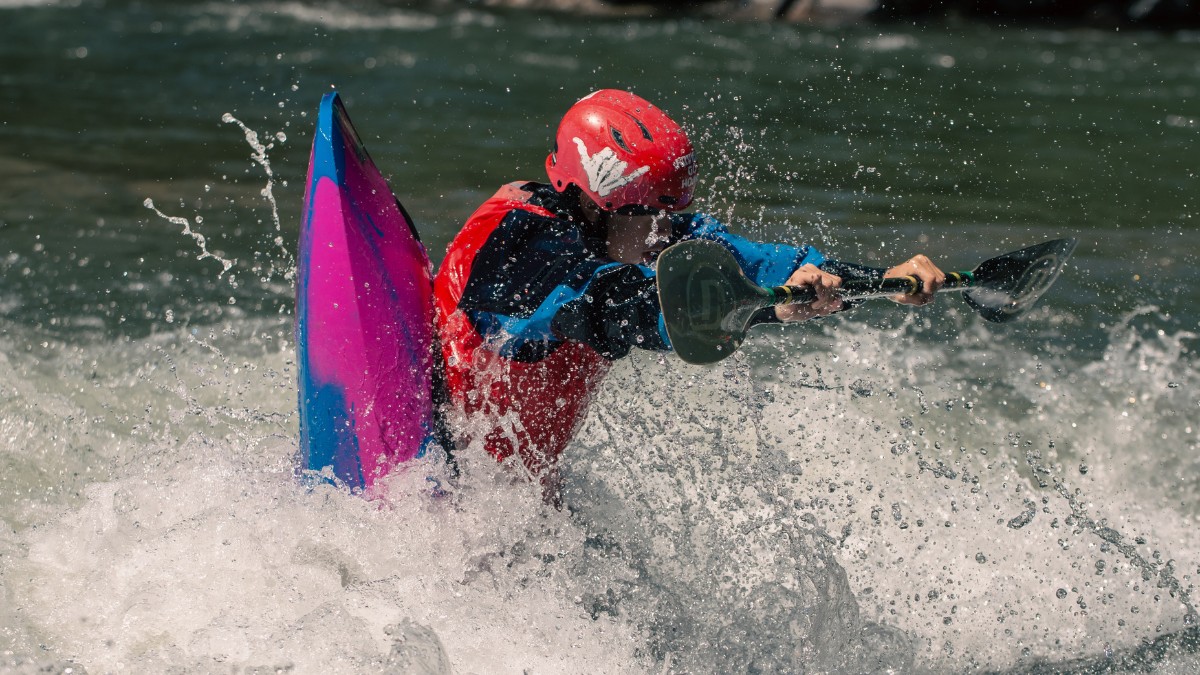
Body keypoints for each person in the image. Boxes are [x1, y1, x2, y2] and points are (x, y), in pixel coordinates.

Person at [432, 89, 945, 501]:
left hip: (525, 498)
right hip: (451, 488)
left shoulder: (635, 225)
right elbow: (620, 307)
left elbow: (763, 263)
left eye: (670, 216)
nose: (664, 234)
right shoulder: (521, 251)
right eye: (651, 217)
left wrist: (878, 281)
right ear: (594, 203)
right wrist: (767, 307)